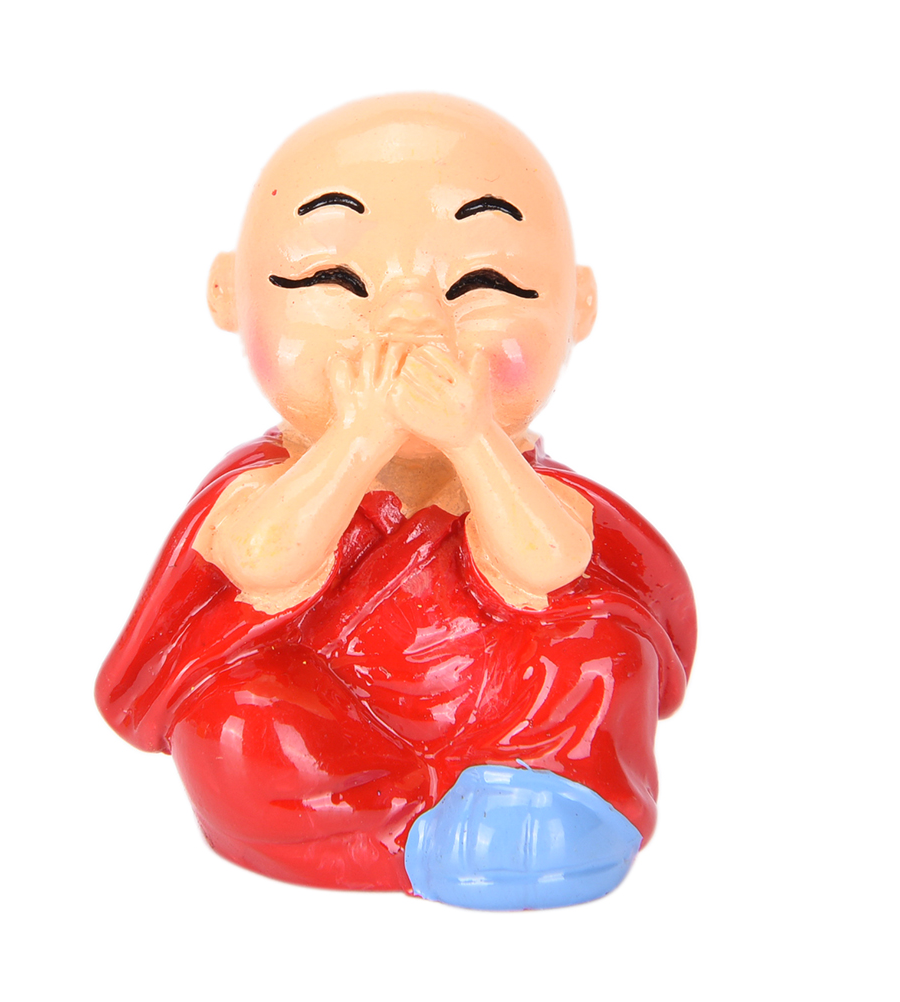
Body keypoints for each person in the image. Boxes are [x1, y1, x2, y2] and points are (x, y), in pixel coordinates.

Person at [96, 94, 696, 909]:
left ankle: (534, 806)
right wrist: (359, 437)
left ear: (577, 306)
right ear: (230, 293)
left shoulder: (539, 489)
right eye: (333, 279)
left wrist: (474, 438)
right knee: (233, 720)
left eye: (485, 282)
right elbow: (266, 560)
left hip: (504, 703)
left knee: (599, 655)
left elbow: (548, 565)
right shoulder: (262, 484)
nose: (410, 323)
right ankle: (422, 832)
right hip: (330, 716)